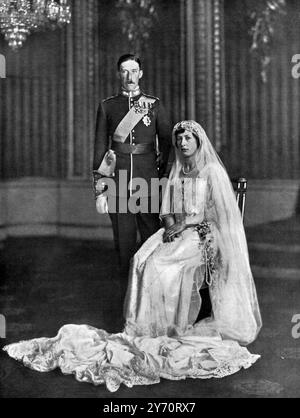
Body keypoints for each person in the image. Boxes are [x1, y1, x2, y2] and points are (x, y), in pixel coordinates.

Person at [3, 121, 262, 393]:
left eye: (189, 138)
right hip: (177, 232)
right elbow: (168, 208)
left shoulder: (211, 171)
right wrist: (172, 225)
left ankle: (167, 327)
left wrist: (185, 226)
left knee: (163, 265)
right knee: (142, 259)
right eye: (180, 138)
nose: (184, 143)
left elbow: (222, 216)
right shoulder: (178, 169)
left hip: (203, 235)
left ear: (199, 141)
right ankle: (142, 328)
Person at [93, 54, 172, 295]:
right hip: (117, 183)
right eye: (125, 71)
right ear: (119, 74)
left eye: (134, 70)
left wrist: (162, 175)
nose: (129, 76)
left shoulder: (154, 104)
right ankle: (127, 304)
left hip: (148, 182)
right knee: (124, 245)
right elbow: (99, 149)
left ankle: (151, 301)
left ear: (141, 73)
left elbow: (167, 142)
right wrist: (100, 190)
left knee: (152, 241)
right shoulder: (108, 106)